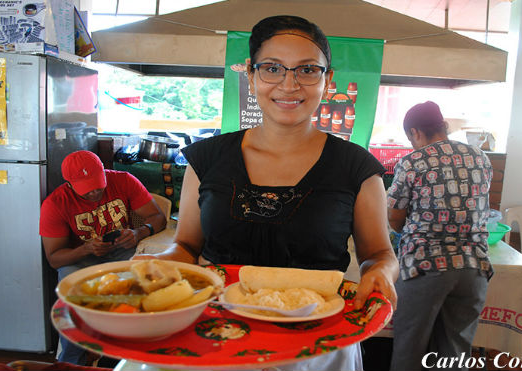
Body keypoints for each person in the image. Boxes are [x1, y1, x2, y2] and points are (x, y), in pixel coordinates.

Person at [134, 15, 398, 371]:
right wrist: (164, 261)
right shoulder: (208, 158)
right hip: (214, 337)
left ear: (327, 80)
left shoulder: (356, 166)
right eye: (273, 68)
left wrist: (381, 271)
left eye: (307, 70)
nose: (289, 85)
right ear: (251, 75)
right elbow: (187, 247)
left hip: (317, 344)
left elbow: (379, 253)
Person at [386, 101, 493, 371]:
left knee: (409, 350)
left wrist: (404, 230)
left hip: (425, 265)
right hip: (473, 268)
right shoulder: (480, 157)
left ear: (415, 132)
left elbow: (393, 216)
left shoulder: (412, 161)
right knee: (454, 354)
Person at [40, 150, 167, 365]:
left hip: (124, 251)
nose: (95, 192)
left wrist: (138, 233)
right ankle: (72, 361)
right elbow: (54, 259)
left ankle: (123, 358)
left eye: (98, 184)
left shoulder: (124, 180)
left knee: (142, 288)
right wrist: (86, 249)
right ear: (69, 184)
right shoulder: (55, 204)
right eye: (86, 190)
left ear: (104, 172)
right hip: (80, 258)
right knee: (71, 298)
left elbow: (158, 217)